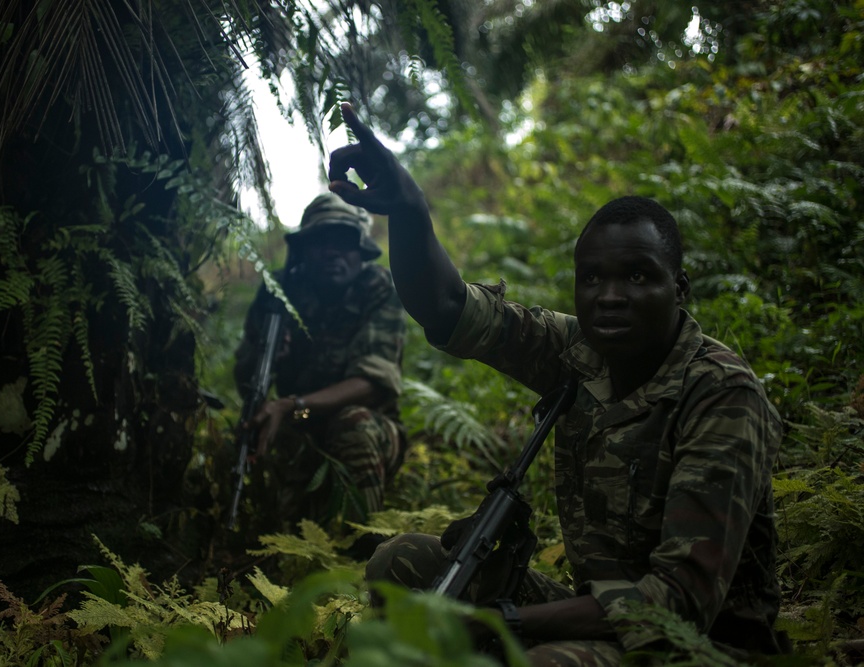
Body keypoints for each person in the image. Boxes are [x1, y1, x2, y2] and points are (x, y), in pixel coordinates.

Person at [327, 103, 786, 663]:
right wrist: (408, 208)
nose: (609, 295)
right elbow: (446, 307)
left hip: (702, 645)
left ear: (680, 288)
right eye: (591, 278)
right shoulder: (576, 352)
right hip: (603, 617)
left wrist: (509, 621)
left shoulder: (719, 393)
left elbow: (680, 601)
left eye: (637, 275)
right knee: (400, 565)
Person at [232, 192, 408, 530]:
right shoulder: (279, 290)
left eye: (342, 241)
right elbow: (246, 383)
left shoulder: (378, 288)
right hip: (296, 430)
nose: (331, 252)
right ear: (303, 251)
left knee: (352, 423)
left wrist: (292, 404)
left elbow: (373, 384)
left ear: (359, 252)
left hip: (368, 430)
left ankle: (361, 549)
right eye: (320, 241)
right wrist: (263, 359)